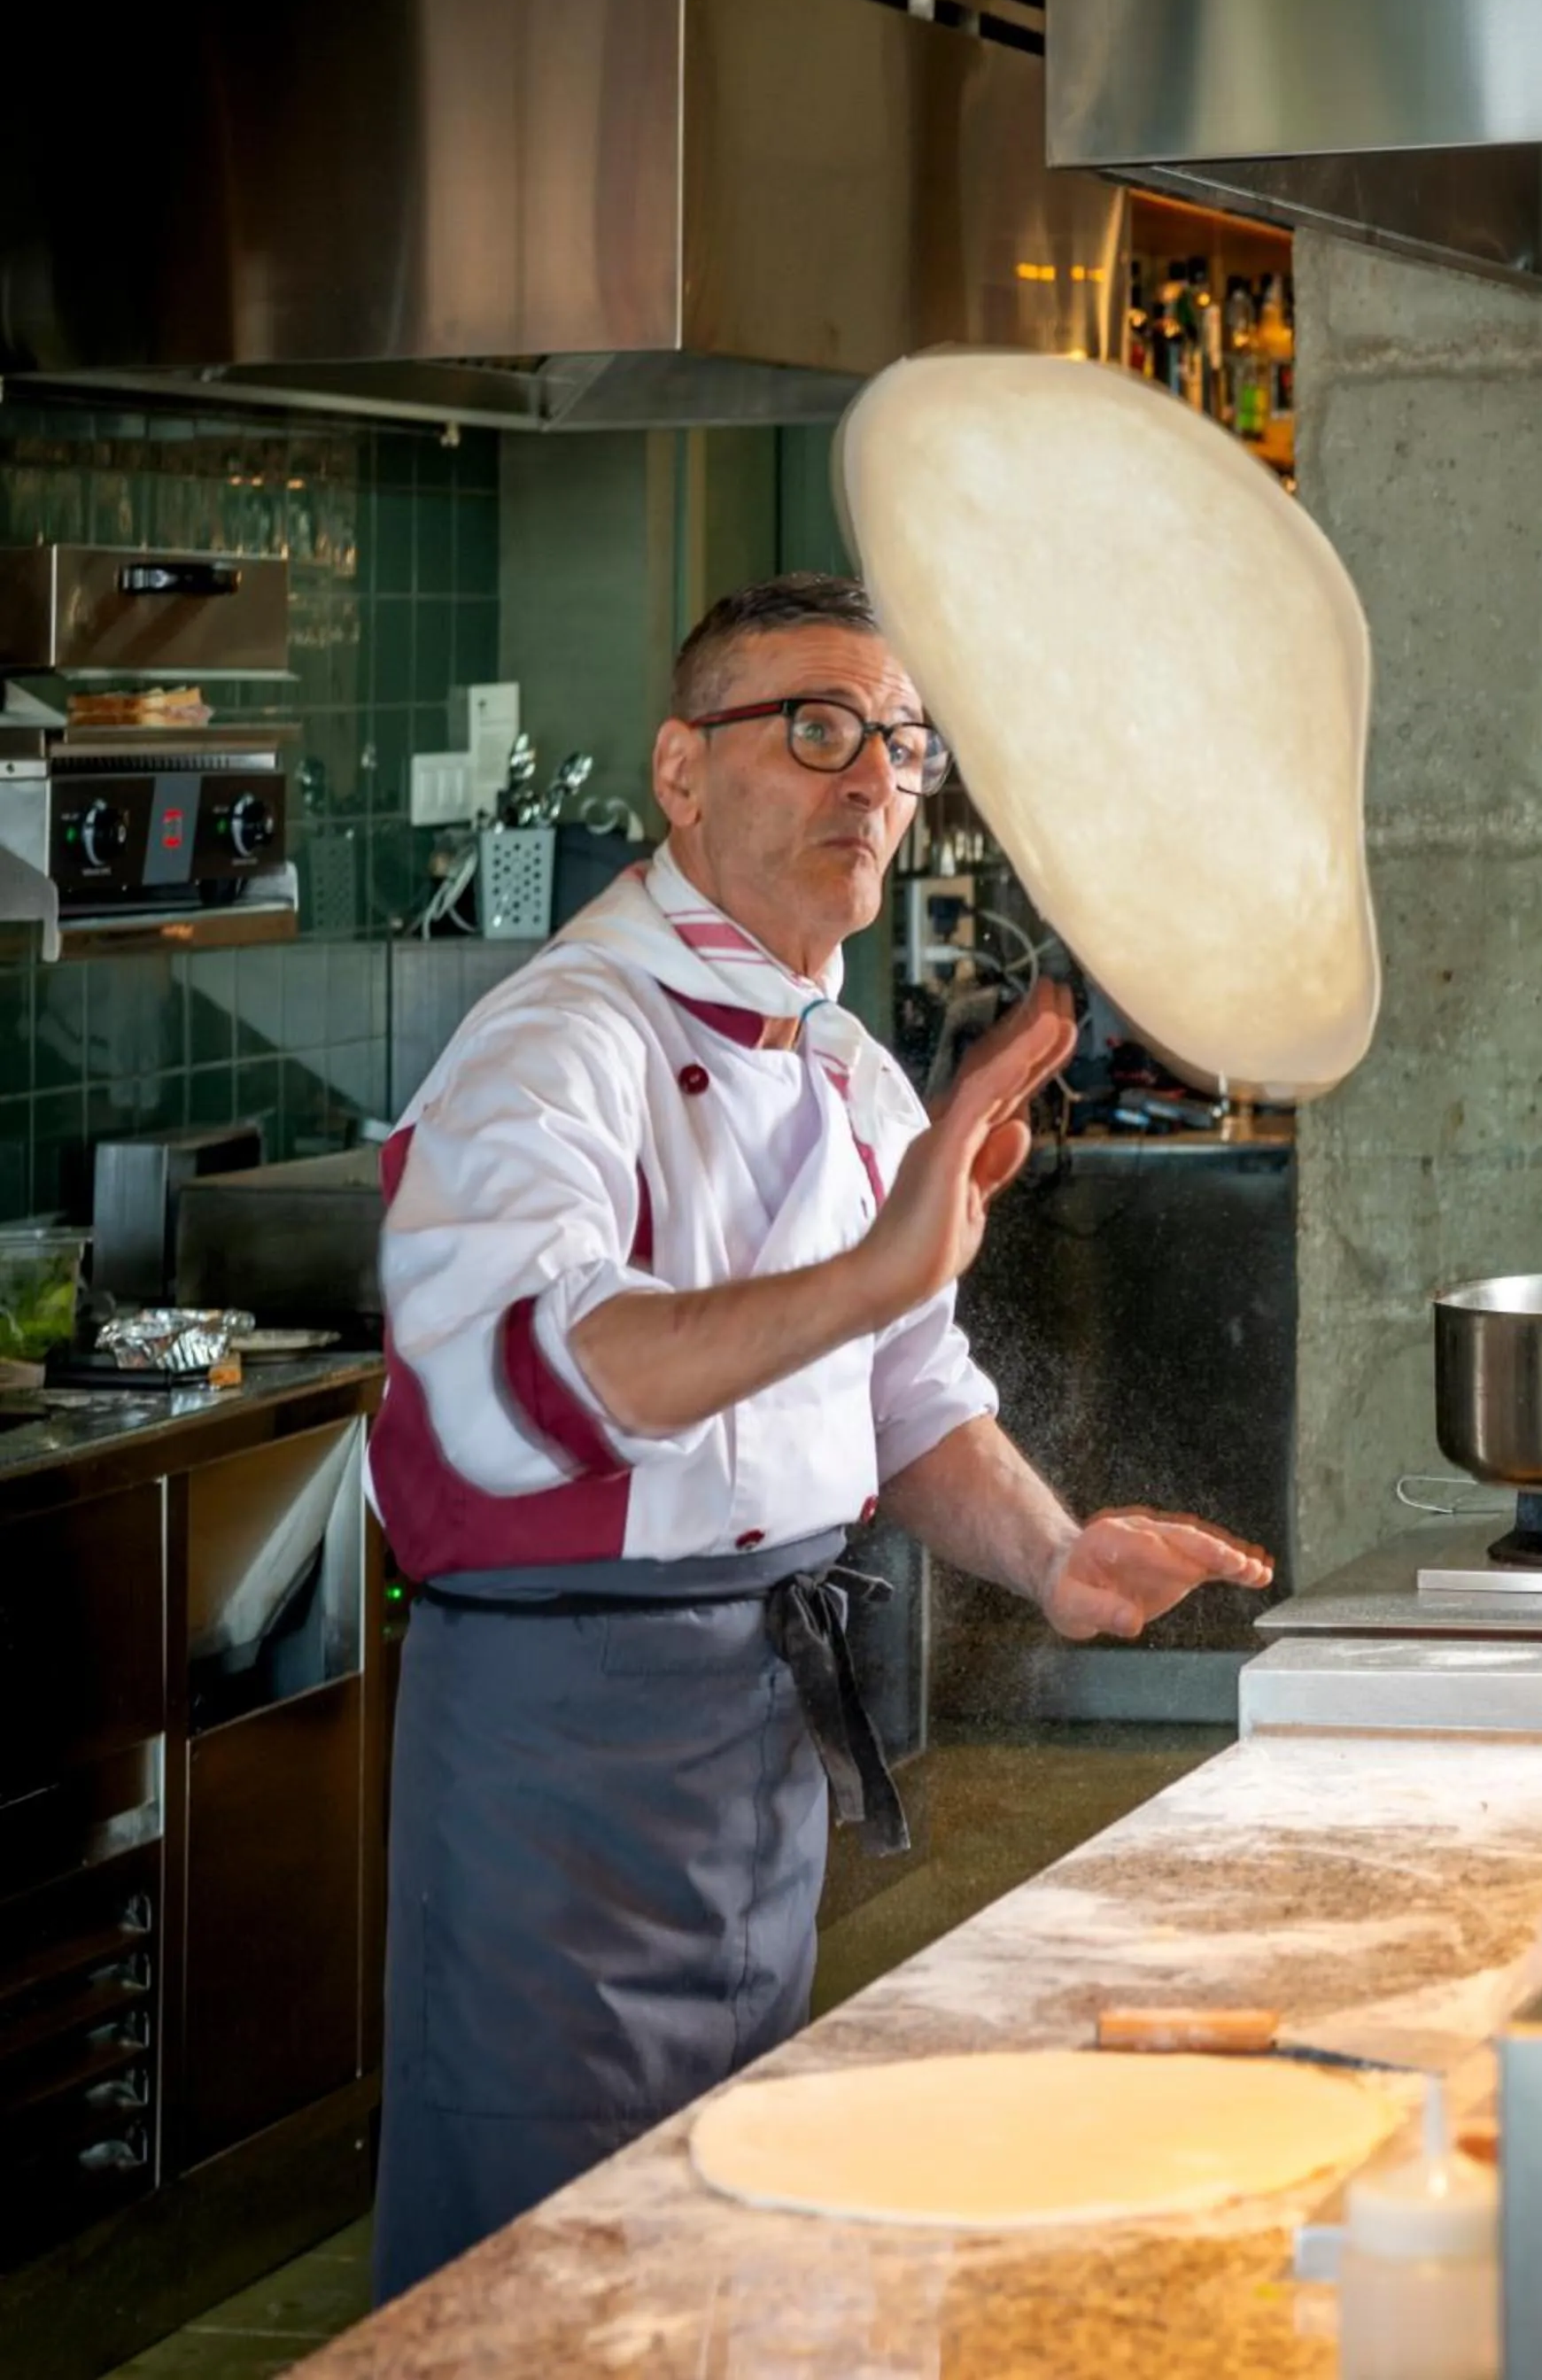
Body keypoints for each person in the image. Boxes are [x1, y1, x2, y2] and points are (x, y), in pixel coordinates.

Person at [368, 571, 1272, 2299]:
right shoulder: (557, 1048)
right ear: (682, 775)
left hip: (754, 1730)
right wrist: (868, 1270)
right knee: (538, 2265)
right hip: (567, 1742)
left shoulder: (844, 1065)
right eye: (815, 728)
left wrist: (1054, 1553)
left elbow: (902, 1393)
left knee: (723, 2216)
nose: (870, 780)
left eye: (900, 746)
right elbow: (523, 1382)